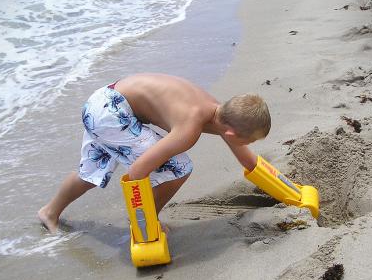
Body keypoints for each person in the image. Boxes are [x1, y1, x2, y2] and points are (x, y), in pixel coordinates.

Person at [38, 73, 271, 233]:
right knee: (179, 168)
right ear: (231, 133)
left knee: (92, 171)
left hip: (101, 101)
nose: (247, 144)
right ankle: (147, 218)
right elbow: (137, 172)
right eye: (250, 140)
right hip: (112, 114)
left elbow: (244, 156)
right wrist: (143, 220)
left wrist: (280, 186)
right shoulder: (189, 129)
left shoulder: (218, 109)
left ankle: (49, 212)